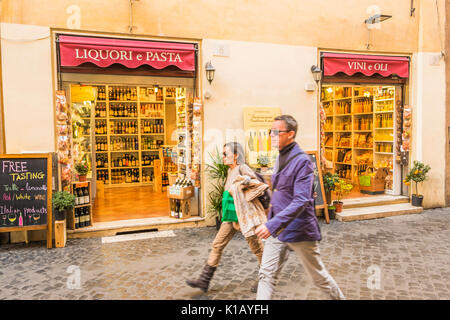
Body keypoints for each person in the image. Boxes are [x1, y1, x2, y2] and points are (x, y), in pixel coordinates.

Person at [255, 115, 345, 300]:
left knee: (319, 278)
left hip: (299, 229)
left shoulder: (302, 161)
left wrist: (271, 225)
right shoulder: (280, 156)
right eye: (270, 132)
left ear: (290, 134)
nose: (271, 135)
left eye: (276, 132)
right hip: (278, 228)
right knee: (266, 275)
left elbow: (301, 200)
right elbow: (281, 191)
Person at [186, 142, 267, 293]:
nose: (223, 157)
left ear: (235, 155)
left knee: (257, 248)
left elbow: (255, 182)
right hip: (230, 217)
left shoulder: (242, 167)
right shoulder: (230, 171)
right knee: (217, 245)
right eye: (223, 154)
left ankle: (265, 280)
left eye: (225, 154)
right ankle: (204, 280)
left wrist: (243, 182)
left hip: (243, 217)